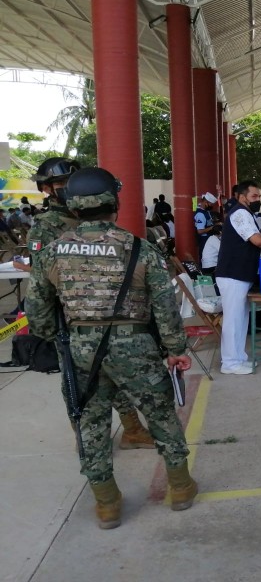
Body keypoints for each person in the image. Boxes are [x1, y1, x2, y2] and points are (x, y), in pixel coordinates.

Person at [26, 167, 198, 529]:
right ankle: (180, 488)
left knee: (90, 424)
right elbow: (165, 306)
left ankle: (107, 504)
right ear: (114, 202)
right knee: (161, 415)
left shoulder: (52, 253)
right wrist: (175, 348)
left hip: (79, 350)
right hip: (136, 346)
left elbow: (38, 314)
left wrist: (62, 338)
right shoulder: (140, 248)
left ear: (73, 205)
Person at [25, 158, 155, 449]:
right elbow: (42, 281)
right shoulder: (45, 227)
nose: (67, 190)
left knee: (113, 374)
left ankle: (132, 429)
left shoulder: (90, 214)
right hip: (72, 317)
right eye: (61, 185)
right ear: (46, 189)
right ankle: (85, 438)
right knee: (78, 384)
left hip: (108, 309)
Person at [215, 182, 261, 374]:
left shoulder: (246, 214)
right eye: (254, 196)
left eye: (259, 197)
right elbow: (257, 240)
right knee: (233, 319)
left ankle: (239, 357)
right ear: (242, 197)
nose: (258, 200)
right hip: (232, 274)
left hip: (240, 273)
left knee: (241, 318)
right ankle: (229, 363)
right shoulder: (240, 214)